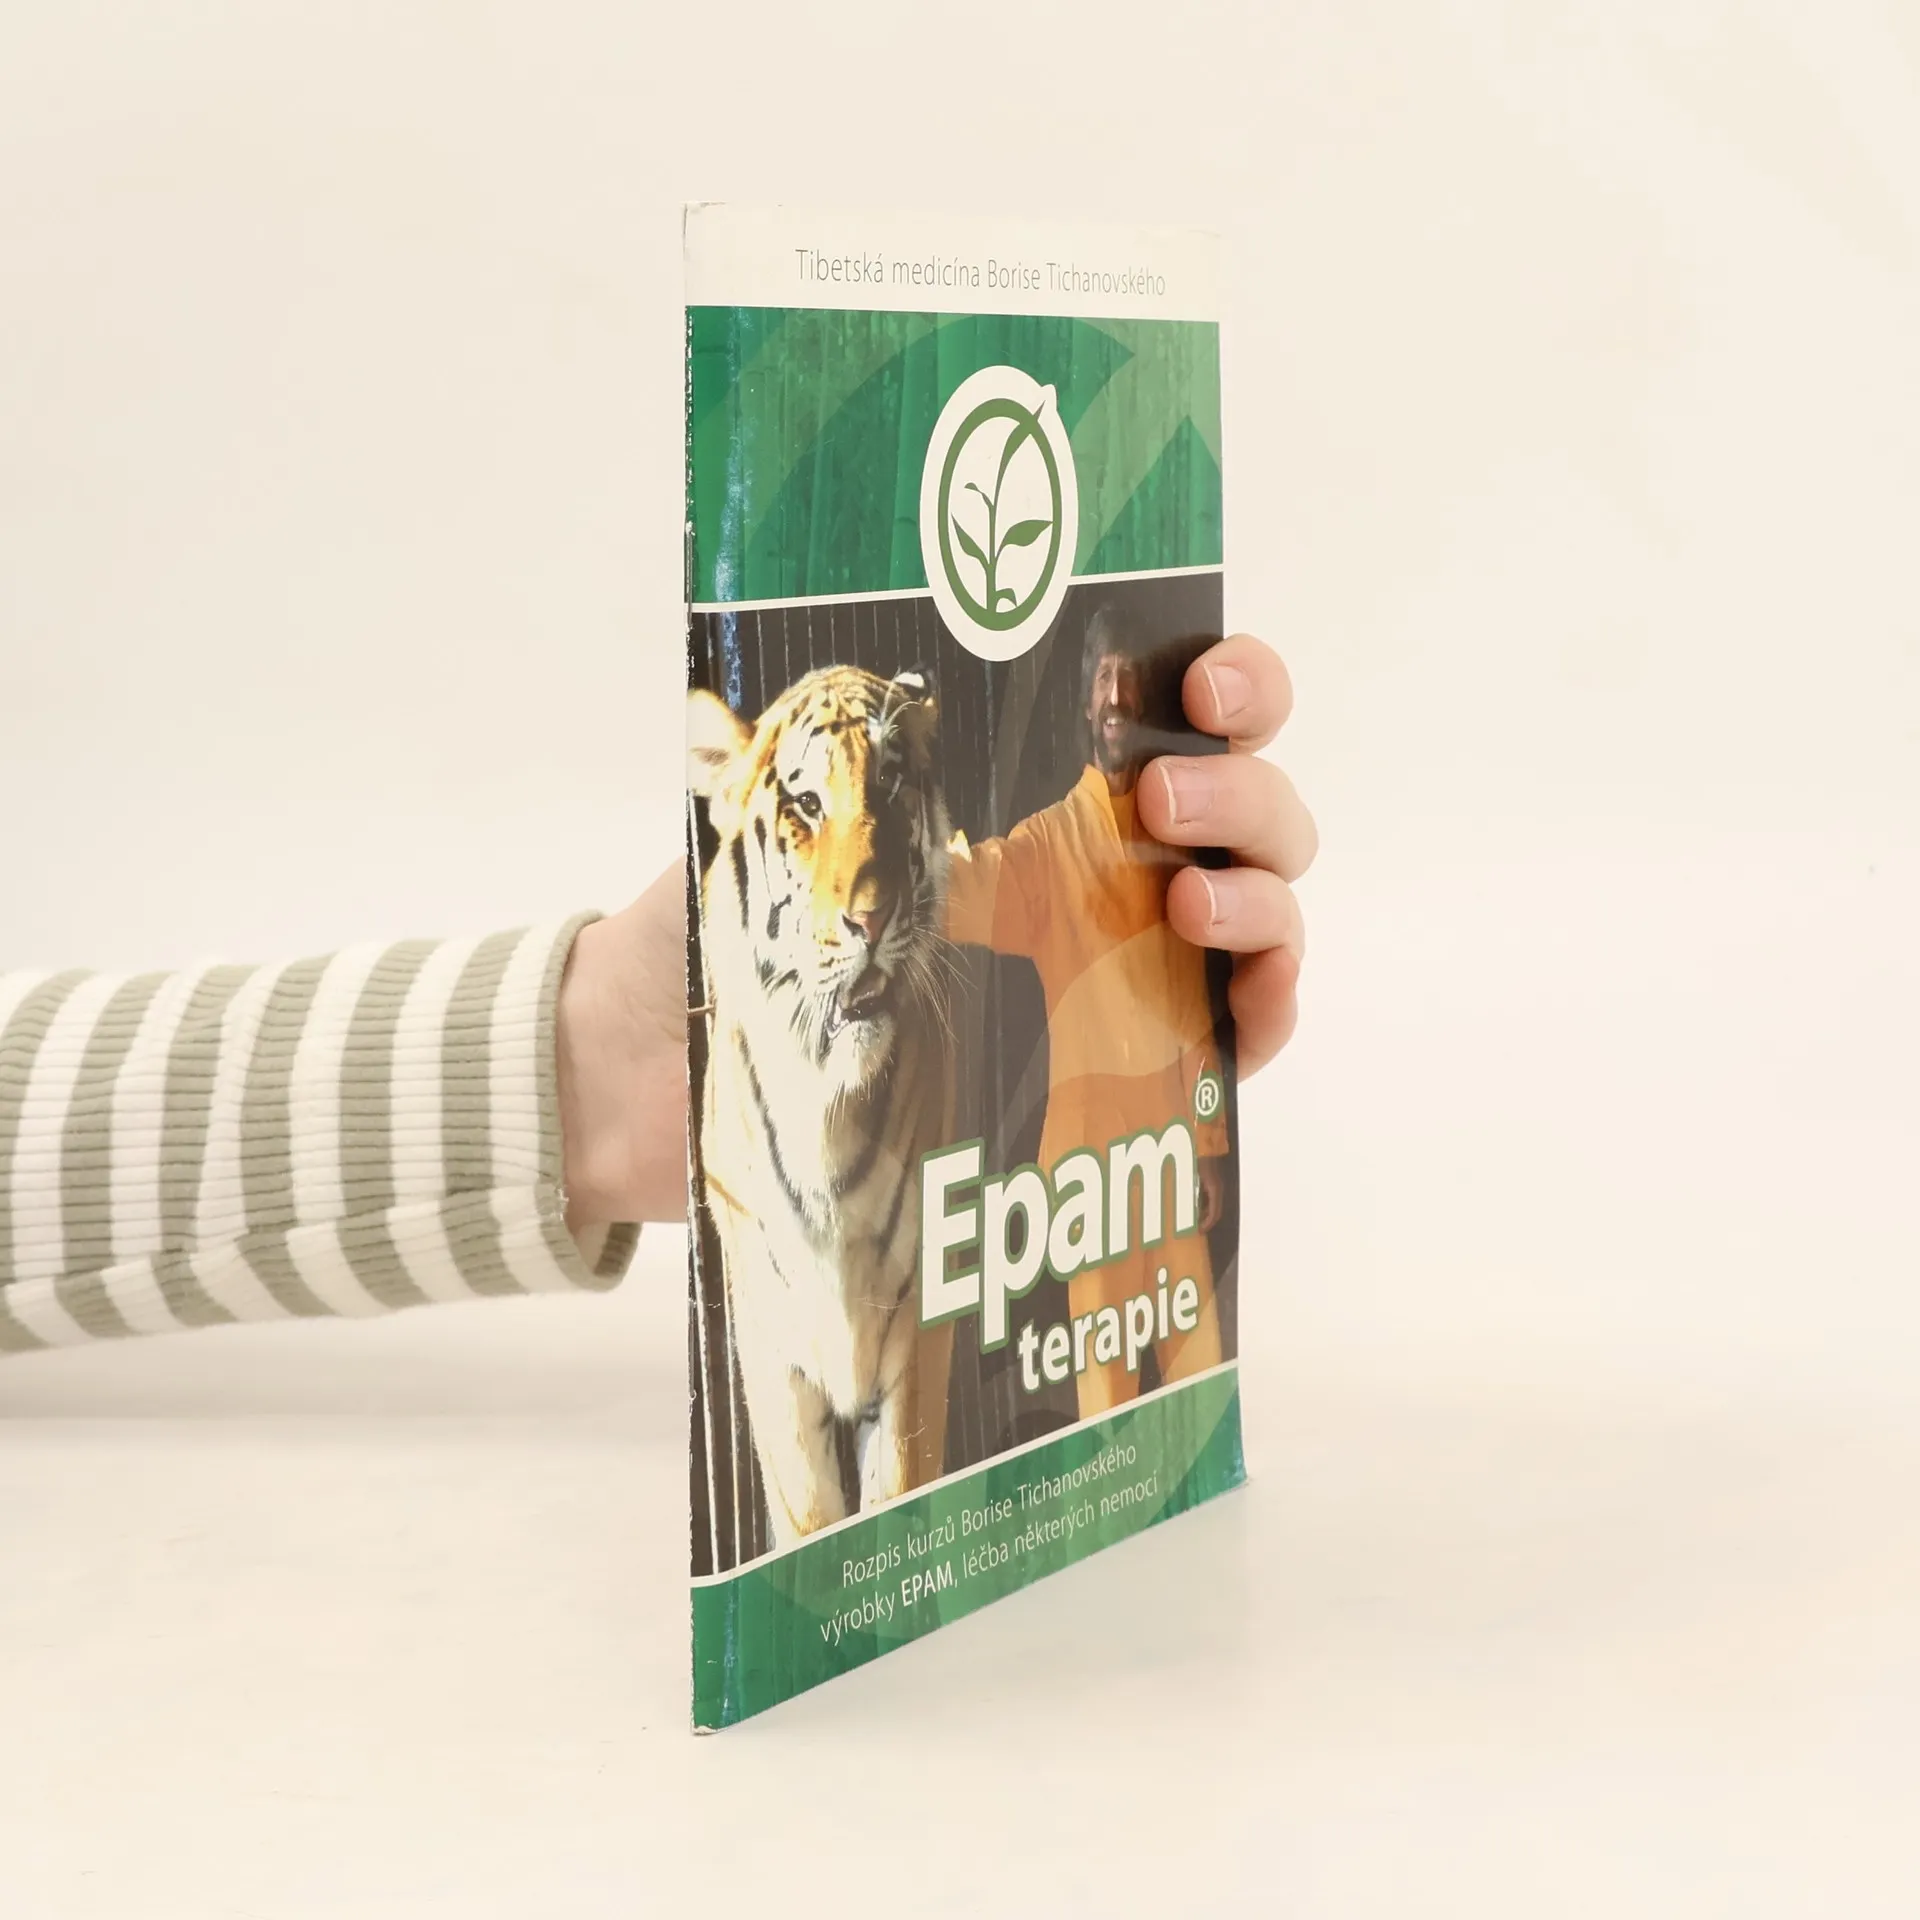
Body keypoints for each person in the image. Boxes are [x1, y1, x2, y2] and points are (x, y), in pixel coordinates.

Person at [0, 635, 1313, 1359]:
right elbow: (961, 886)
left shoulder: (1084, 840)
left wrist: (601, 1063)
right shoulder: (1031, 853)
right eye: (1101, 699)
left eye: (1127, 700)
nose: (1111, 717)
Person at [946, 611, 1305, 1414]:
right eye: (1101, 677)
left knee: (1198, 1369)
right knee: (1104, 1394)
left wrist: (1210, 1145)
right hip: (1087, 1183)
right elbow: (962, 891)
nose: (1114, 694)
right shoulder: (1047, 846)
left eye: (1127, 676)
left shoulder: (1173, 839)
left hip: (1169, 1160)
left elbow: (1193, 1007)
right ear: (1085, 701)